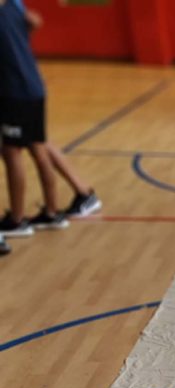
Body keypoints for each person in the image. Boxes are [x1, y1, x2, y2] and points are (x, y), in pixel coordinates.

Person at [0, 0, 101, 238]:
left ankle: (17, 219)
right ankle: (53, 211)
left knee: (12, 151)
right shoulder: (16, 5)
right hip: (32, 86)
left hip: (15, 89)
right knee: (39, 146)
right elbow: (30, 26)